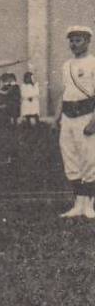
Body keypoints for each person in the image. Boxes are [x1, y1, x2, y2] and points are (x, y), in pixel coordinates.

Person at [56, 26, 95, 218]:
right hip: (68, 115)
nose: (74, 44)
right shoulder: (66, 65)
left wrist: (93, 122)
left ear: (88, 42)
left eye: (78, 40)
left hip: (86, 114)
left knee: (89, 159)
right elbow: (65, 92)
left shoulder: (93, 63)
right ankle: (78, 203)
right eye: (71, 40)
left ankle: (89, 204)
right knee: (70, 159)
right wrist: (58, 117)